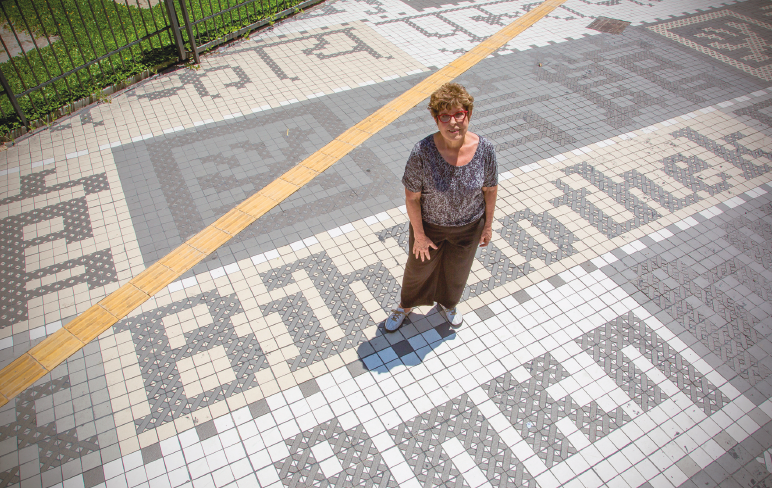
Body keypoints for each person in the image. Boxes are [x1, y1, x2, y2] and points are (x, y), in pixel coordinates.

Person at [385, 82, 498, 332]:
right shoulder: (422, 151)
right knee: (418, 269)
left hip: (469, 227)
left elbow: (490, 190)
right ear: (436, 120)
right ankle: (405, 305)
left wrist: (488, 225)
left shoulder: (486, 149)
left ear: (468, 114)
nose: (453, 122)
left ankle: (448, 303)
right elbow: (412, 198)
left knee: (457, 271)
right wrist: (420, 235)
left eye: (459, 113)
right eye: (444, 116)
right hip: (430, 228)